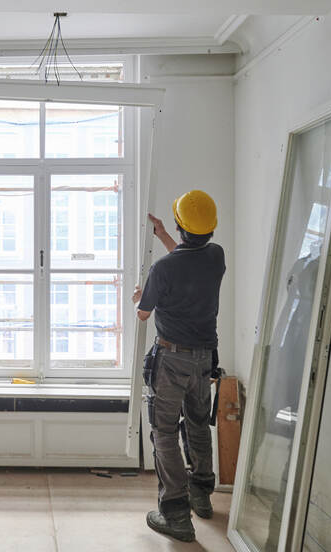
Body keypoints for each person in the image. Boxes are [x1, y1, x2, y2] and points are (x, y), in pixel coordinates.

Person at [131, 190, 226, 542]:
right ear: (210, 229)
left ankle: (175, 513)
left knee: (165, 432)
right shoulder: (216, 256)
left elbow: (143, 314)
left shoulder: (163, 270)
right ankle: (201, 494)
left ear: (179, 225)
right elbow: (189, 260)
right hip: (204, 359)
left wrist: (140, 297)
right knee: (198, 424)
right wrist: (163, 236)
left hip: (171, 360)